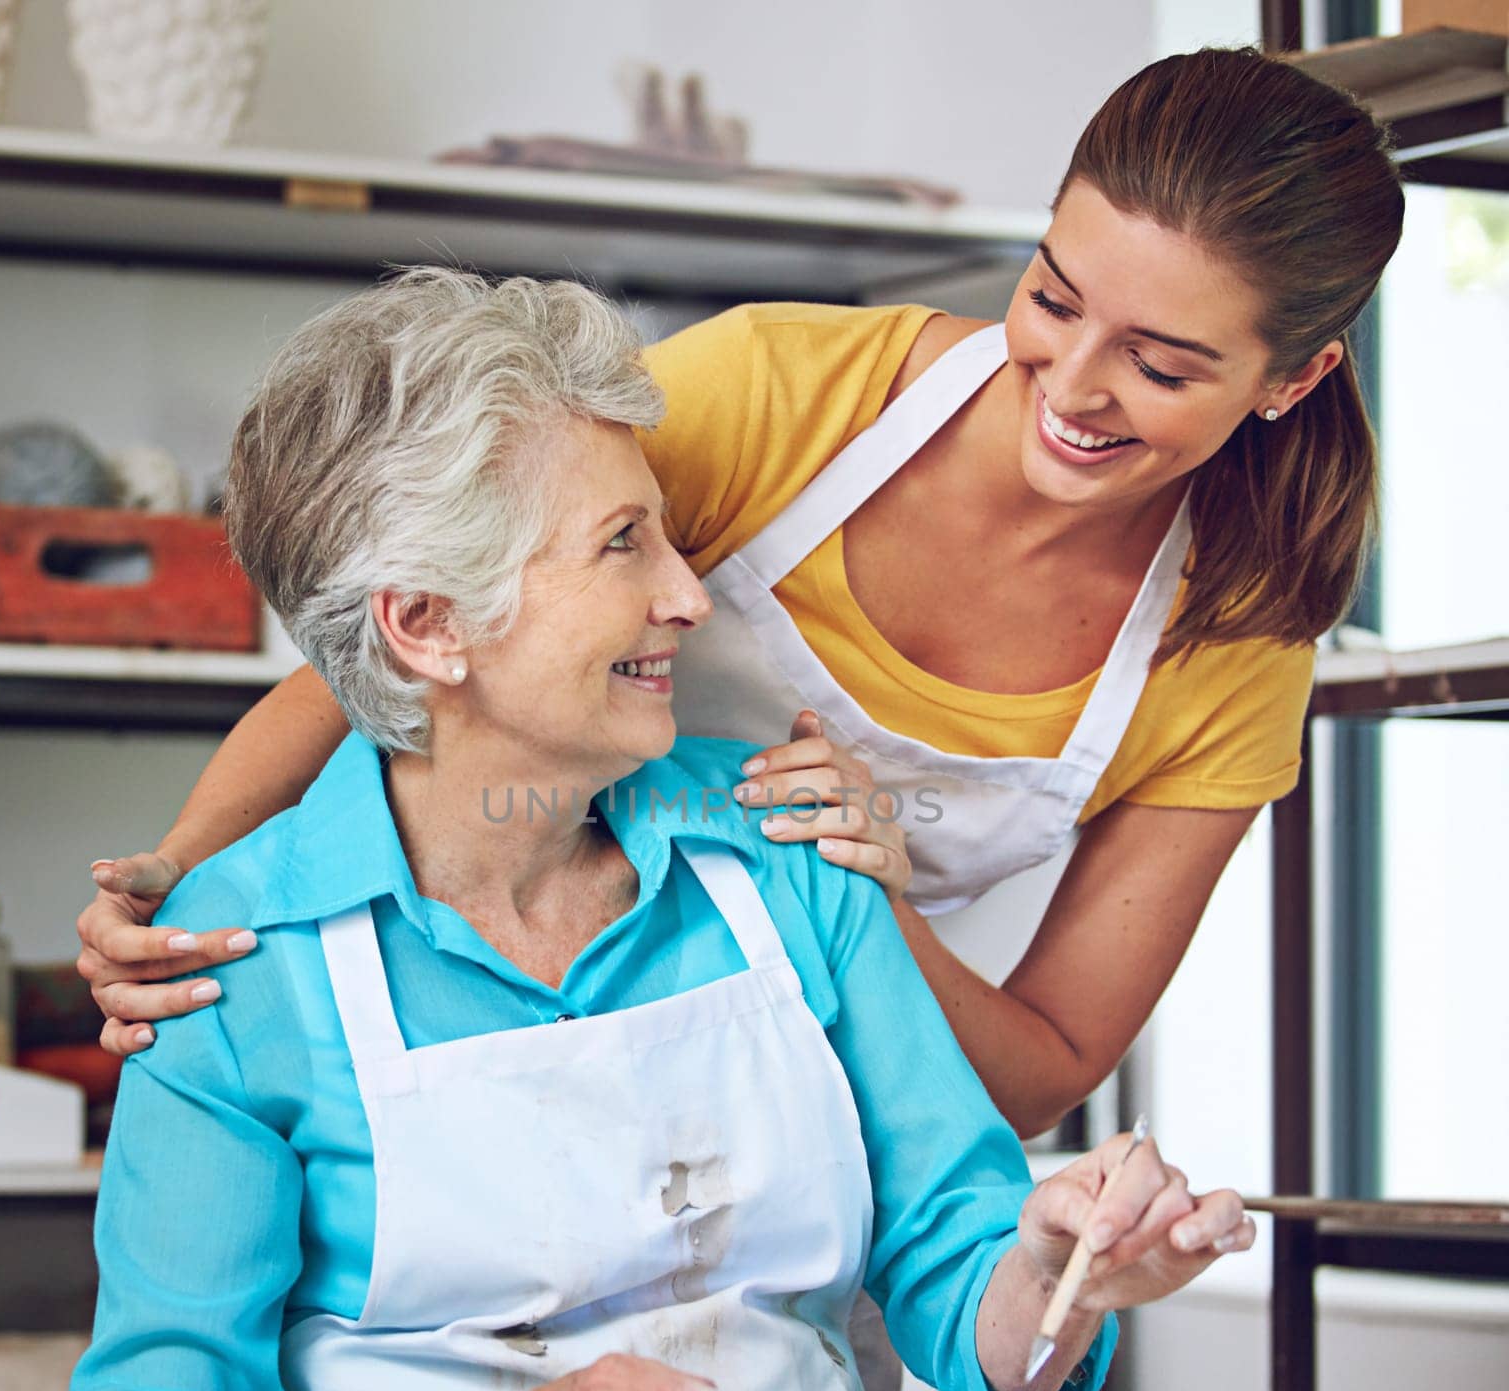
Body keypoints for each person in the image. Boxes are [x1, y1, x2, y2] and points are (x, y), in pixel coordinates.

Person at [69, 271, 1251, 1391]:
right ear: (426, 626)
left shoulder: (786, 854)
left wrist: (1059, 1276)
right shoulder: (235, 977)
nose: (693, 598)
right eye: (624, 545)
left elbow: (975, 1292)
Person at [75, 45, 1404, 1141]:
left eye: (1163, 369)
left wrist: (865, 901)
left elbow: (1049, 1065)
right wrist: (174, 889)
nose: (1069, 385)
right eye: (1053, 298)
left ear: (1291, 380)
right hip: (505, 1037)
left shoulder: (1240, 629)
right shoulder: (776, 391)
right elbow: (383, 655)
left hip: (846, 1128)